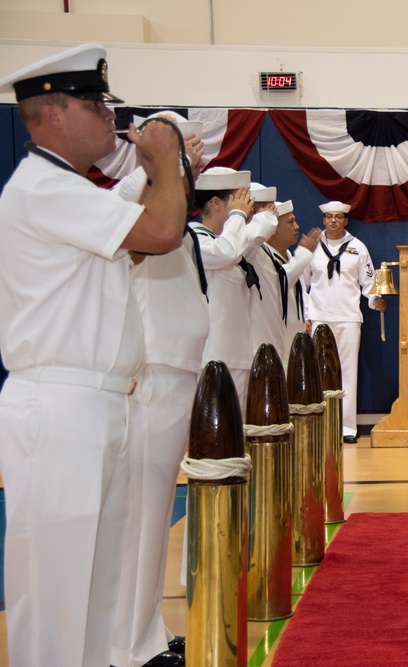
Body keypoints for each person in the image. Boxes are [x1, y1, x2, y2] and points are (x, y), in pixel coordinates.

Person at [0, 43, 188, 666]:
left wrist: (149, 174)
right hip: (62, 406)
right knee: (57, 589)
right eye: (93, 103)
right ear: (52, 115)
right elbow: (159, 233)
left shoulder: (66, 190)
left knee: (95, 587)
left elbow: (123, 233)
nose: (110, 115)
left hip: (95, 404)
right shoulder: (42, 188)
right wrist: (164, 162)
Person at [110, 110, 208, 667]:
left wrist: (178, 162)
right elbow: (138, 211)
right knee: (143, 516)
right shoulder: (140, 211)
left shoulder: (170, 212)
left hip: (175, 375)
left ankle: (145, 631)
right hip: (154, 376)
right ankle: (129, 647)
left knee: (154, 515)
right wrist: (161, 161)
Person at [190, 168, 277, 413]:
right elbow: (225, 253)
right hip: (211, 356)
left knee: (235, 437)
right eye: (239, 200)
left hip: (236, 353)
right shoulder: (195, 239)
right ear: (216, 203)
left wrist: (259, 218)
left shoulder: (229, 241)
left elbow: (246, 242)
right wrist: (238, 215)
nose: (247, 208)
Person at [305, 201, 386, 443]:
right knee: (318, 374)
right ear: (323, 220)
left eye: (338, 217)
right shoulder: (312, 248)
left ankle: (347, 428)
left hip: (349, 318)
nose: (333, 221)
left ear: (346, 220)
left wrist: (375, 301)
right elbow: (301, 284)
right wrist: (305, 315)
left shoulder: (358, 248)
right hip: (319, 317)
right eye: (329, 217)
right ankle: (319, 425)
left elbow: (369, 284)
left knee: (348, 373)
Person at [250, 191, 320, 366]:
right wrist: (304, 254)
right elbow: (279, 283)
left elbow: (300, 291)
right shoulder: (259, 256)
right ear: (273, 229)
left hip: (294, 343)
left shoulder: (288, 256)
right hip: (273, 345)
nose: (296, 227)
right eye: (290, 222)